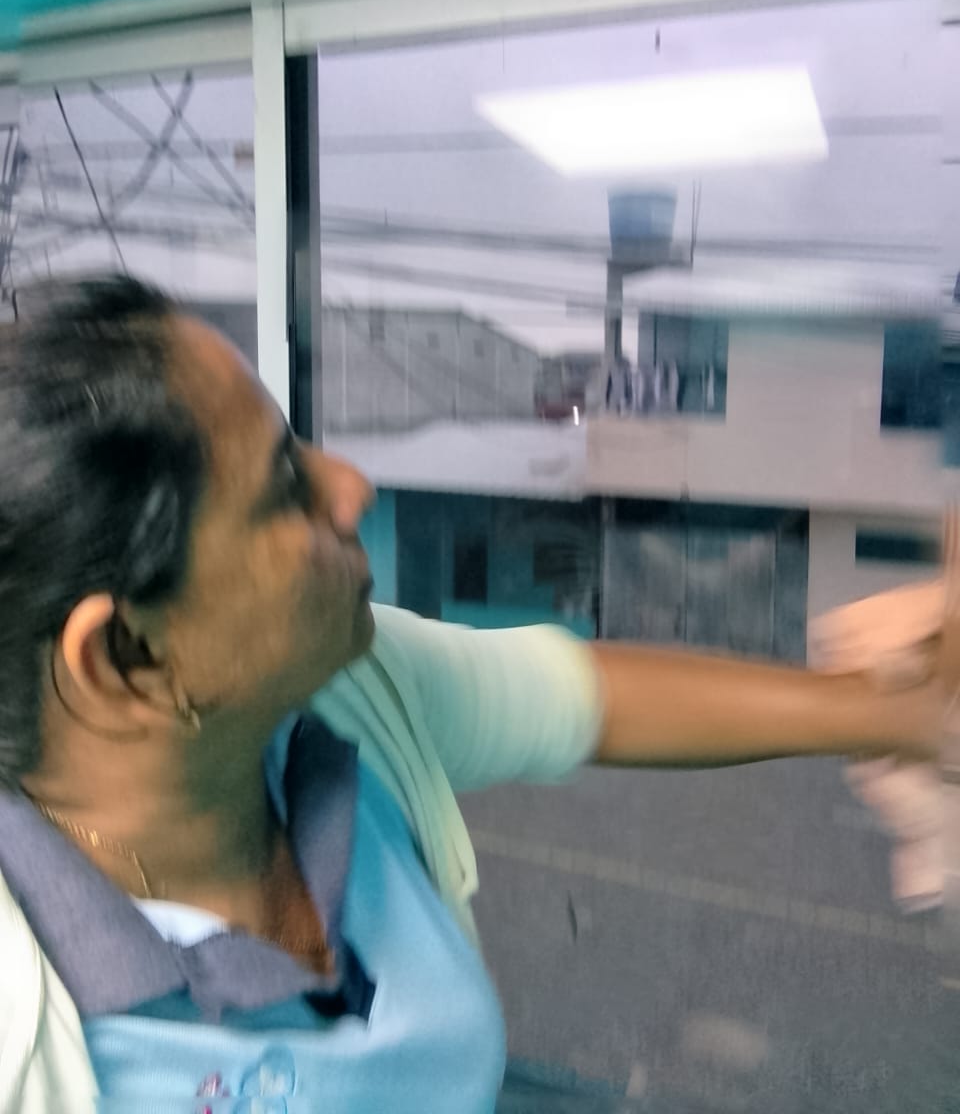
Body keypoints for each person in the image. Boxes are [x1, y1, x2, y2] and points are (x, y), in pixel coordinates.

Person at [0, 276, 951, 1114]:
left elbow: (583, 697)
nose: (352, 485)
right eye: (285, 487)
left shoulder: (345, 696)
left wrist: (906, 711)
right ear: (128, 657)